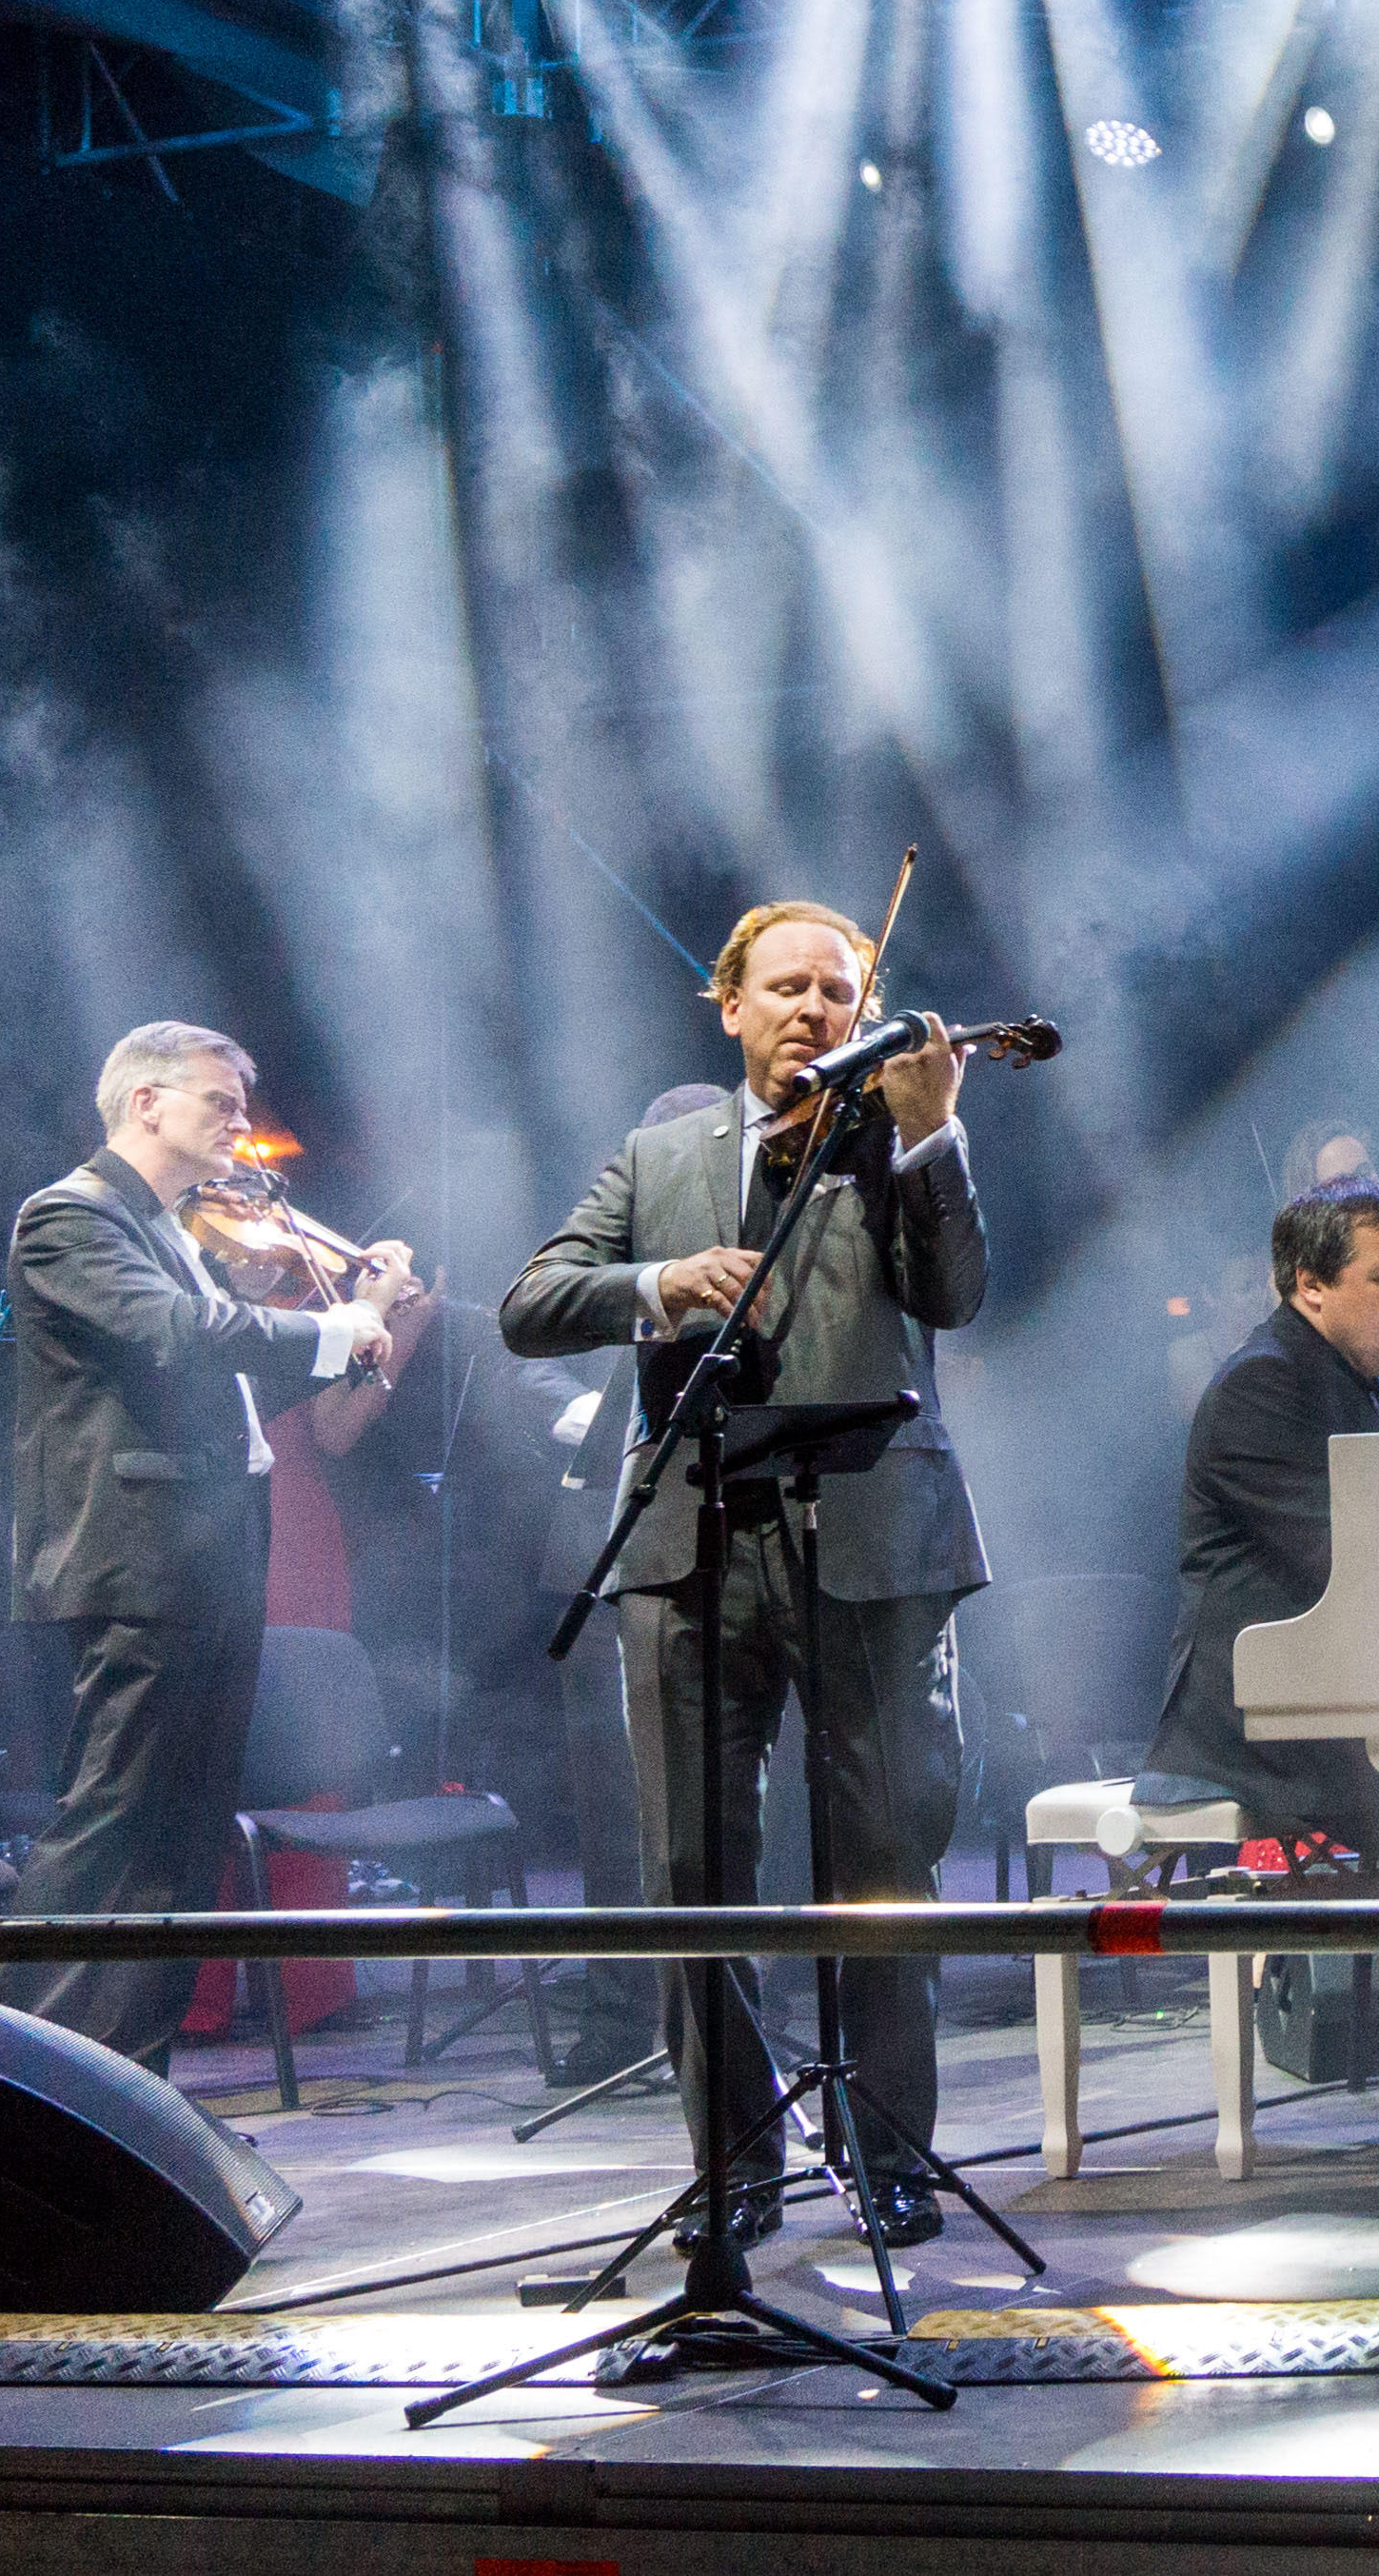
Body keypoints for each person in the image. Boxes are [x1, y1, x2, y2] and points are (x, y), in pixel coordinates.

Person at [497, 904, 989, 2241]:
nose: (813, 1010)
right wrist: (657, 1282)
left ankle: (889, 2153)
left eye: (838, 991)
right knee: (690, 1867)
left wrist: (931, 1134)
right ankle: (734, 2166)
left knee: (883, 1856)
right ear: (730, 1006)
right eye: (785, 987)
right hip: (690, 1540)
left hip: (872, 1538)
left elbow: (954, 1296)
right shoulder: (660, 1153)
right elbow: (530, 1304)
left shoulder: (895, 1142)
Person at [2, 1025, 425, 2072]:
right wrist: (345, 1325)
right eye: (221, 1102)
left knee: (185, 1833)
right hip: (137, 1561)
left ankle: (129, 2073)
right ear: (146, 1102)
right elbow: (181, 1333)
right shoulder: (70, 1215)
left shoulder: (171, 1229)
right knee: (115, 1818)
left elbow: (228, 1390)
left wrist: (362, 1326)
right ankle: (27, 2064)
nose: (242, 1124)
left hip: (209, 1558)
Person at [1150, 1179, 1379, 1885]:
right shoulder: (1260, 1386)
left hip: (1338, 1698)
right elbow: (1353, 1558)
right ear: (1311, 1285)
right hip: (1259, 1726)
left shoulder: (1366, 1384)